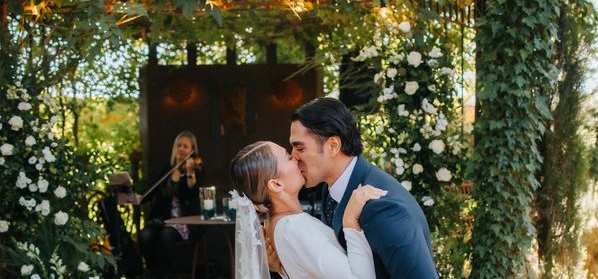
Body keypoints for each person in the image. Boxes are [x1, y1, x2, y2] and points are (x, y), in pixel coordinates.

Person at [288, 97, 439, 279]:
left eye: (300, 148)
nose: (293, 157)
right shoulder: (330, 190)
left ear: (333, 146)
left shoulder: (382, 207)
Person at [230, 140, 386, 278]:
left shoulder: (273, 224)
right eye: (288, 157)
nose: (296, 156)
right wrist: (350, 220)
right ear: (276, 184)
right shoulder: (294, 227)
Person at [139, 131, 202, 279]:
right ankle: (154, 271)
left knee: (166, 235)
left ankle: (170, 274)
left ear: (192, 150)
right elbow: (152, 190)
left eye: (185, 146)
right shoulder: (167, 170)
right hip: (164, 219)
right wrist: (138, 197)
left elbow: (191, 192)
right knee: (145, 235)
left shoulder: (196, 170)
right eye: (178, 145)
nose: (181, 149)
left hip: (185, 221)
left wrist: (190, 173)